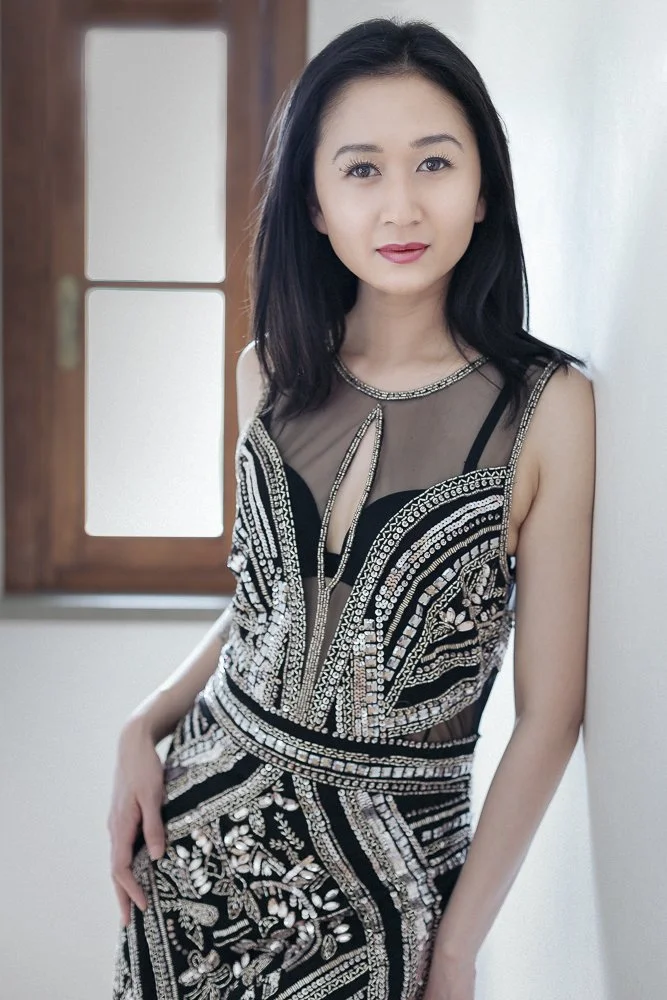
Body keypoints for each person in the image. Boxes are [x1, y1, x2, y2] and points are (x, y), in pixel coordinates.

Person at [109, 16, 595, 1000]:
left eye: (433, 162)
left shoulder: (549, 409)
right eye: (362, 170)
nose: (401, 203)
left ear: (483, 186)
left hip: (391, 890)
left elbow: (550, 713)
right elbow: (272, 603)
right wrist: (142, 722)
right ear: (317, 203)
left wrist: (455, 949)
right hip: (194, 845)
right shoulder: (269, 374)